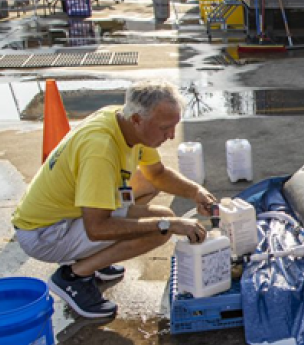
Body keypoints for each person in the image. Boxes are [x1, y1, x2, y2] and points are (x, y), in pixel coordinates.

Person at [12, 80, 217, 319]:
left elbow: (157, 175)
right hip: (46, 233)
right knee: (160, 228)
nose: (171, 136)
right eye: (164, 128)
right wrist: (170, 225)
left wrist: (196, 192)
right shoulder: (100, 149)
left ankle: (94, 259)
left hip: (68, 214)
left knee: (149, 185)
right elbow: (97, 228)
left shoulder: (122, 121)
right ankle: (74, 276)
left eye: (173, 127)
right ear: (137, 120)